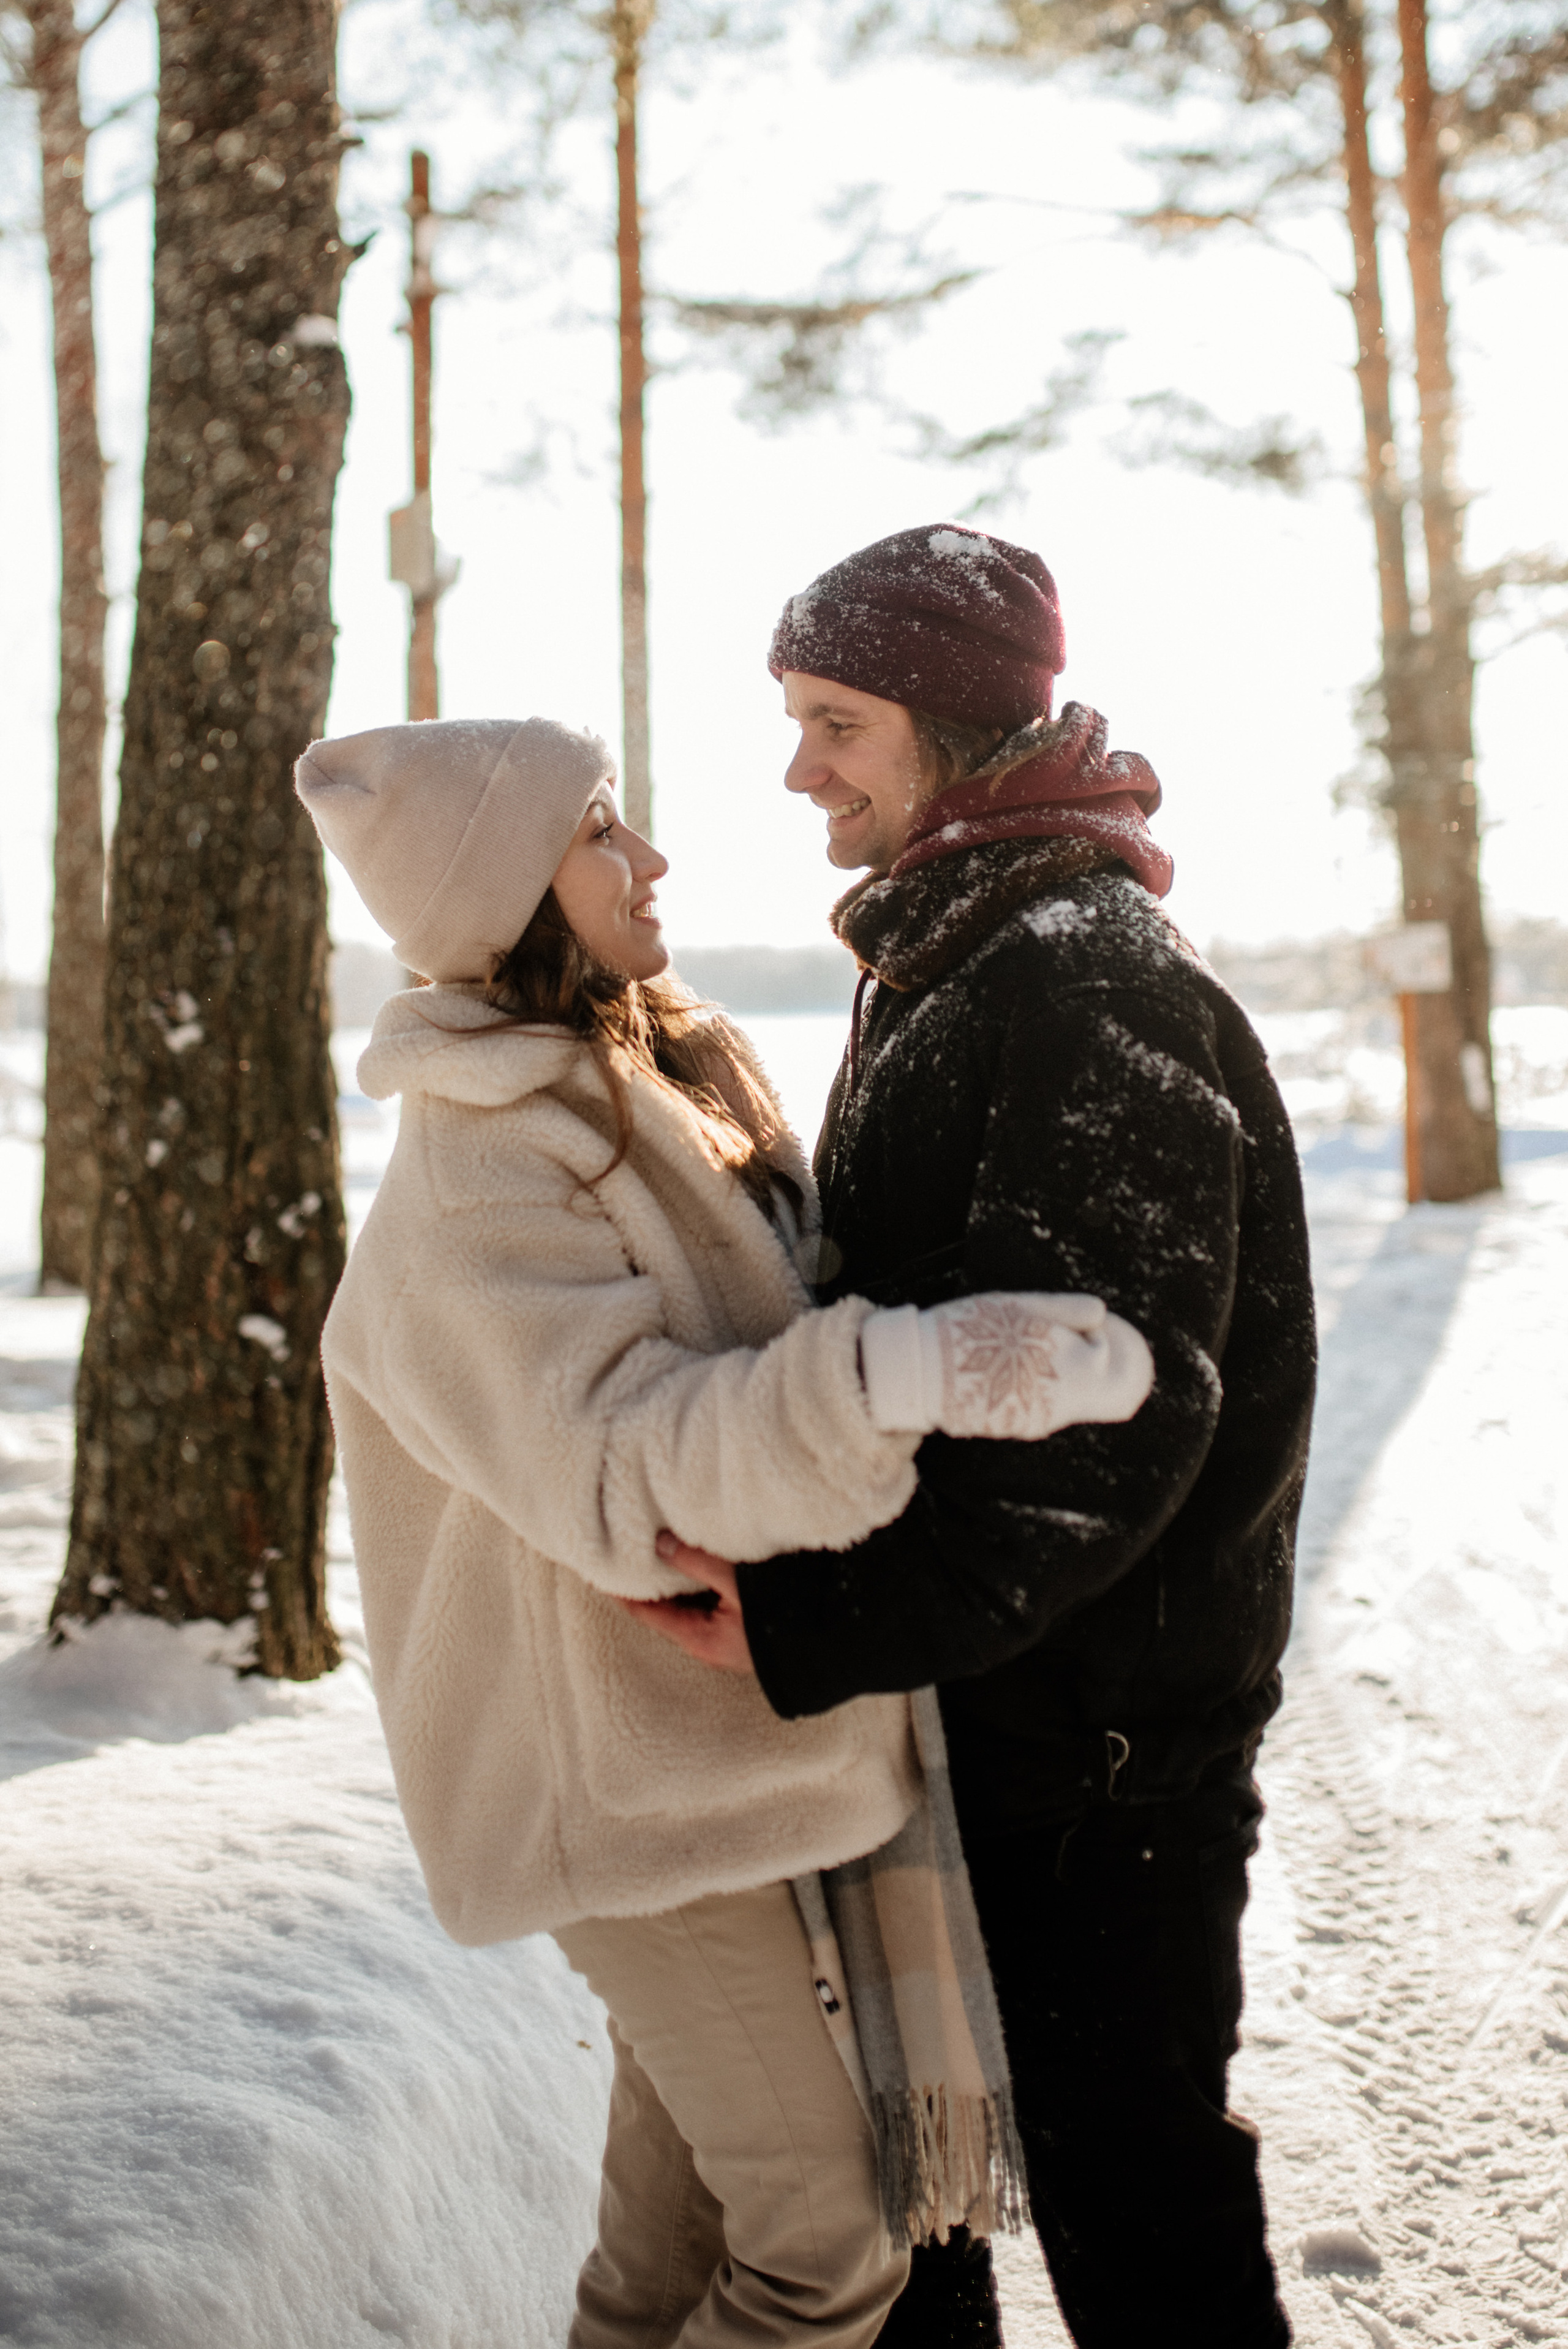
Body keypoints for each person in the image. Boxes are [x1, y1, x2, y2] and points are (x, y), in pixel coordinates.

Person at [293, 713, 1156, 2349]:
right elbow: (631, 1477)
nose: (652, 857)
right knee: (827, 2255)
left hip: (720, 1765)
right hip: (625, 1800)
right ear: (503, 889)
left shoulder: (646, 1078)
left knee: (661, 2258)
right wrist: (898, 1374)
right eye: (600, 831)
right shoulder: (481, 1176)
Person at [639, 526, 1319, 2349]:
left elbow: (1102, 1425)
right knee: (932, 2210)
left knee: (1135, 2218)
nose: (800, 766)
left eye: (836, 720)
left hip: (1100, 1757)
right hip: (991, 1715)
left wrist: (819, 1628)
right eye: (796, 717)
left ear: (947, 723)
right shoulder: (963, 961)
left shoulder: (1083, 986)